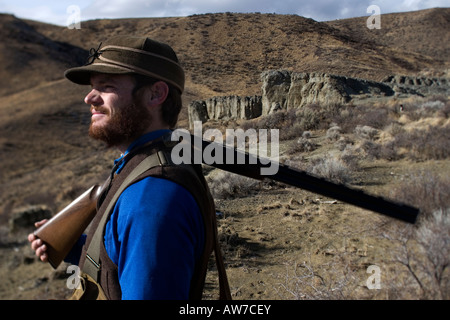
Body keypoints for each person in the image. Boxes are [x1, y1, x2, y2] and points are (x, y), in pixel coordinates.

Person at [28, 35, 230, 300]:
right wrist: (76, 246)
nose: (89, 97)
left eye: (106, 86)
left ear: (156, 94)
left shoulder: (151, 199)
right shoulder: (142, 163)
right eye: (92, 87)